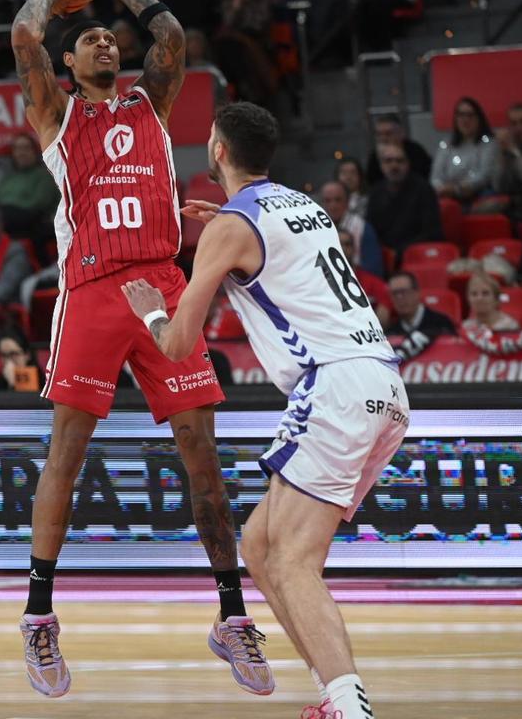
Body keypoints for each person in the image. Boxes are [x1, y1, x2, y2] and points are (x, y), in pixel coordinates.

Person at [12, 0, 271, 700]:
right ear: (68, 67)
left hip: (162, 285)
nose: (101, 38)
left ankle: (231, 618)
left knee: (203, 459)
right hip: (92, 291)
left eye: (104, 36)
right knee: (67, 453)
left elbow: (169, 35)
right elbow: (24, 34)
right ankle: (38, 617)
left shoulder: (150, 105)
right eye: (87, 37)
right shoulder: (57, 118)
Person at [122, 101, 404, 719]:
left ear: (218, 151)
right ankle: (330, 691)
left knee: (294, 560)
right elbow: (277, 255)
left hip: (334, 386)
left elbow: (175, 345)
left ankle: (348, 703)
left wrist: (149, 310)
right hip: (383, 384)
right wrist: (225, 224)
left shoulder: (228, 229)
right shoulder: (306, 205)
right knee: (258, 544)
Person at [366, 142, 443, 254]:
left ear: (408, 164)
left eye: (399, 161)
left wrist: (400, 251)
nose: (394, 166)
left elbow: (431, 232)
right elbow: (371, 230)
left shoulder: (423, 189)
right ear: (381, 166)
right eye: (388, 161)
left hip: (417, 252)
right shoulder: (375, 192)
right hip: (385, 254)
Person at [431, 96, 497, 205]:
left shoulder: (488, 143)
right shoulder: (446, 144)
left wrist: (457, 188)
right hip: (446, 197)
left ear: (479, 118)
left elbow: (484, 176)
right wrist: (441, 188)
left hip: (477, 196)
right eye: (461, 115)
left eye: (470, 115)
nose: (465, 120)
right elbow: (435, 176)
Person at [0, 134, 60, 239]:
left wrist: (11, 207)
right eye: (18, 149)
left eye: (26, 148)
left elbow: (40, 204)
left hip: (33, 224)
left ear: (35, 151)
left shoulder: (45, 176)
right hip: (3, 222)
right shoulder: (8, 177)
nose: (21, 153)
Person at [319, 180, 384, 278]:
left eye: (338, 200)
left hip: (357, 281)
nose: (333, 206)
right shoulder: (312, 227)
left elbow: (373, 269)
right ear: (321, 203)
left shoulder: (363, 228)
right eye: (327, 200)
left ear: (348, 202)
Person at [385, 271, 459, 336]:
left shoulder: (442, 324)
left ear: (417, 293)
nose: (399, 298)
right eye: (394, 293)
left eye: (404, 292)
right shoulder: (391, 333)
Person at [365, 114, 432, 185]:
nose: (383, 138)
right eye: (379, 134)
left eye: (388, 133)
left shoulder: (416, 152)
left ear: (400, 132)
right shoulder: (375, 156)